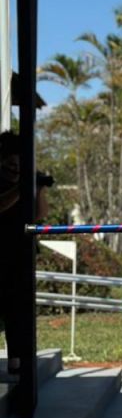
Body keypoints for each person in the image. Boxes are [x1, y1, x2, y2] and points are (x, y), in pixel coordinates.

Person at [0, 131, 49, 375]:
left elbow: (39, 215)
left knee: (18, 310)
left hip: (20, 255)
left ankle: (16, 361)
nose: (14, 166)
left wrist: (38, 188)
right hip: (2, 253)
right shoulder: (7, 185)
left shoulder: (23, 183)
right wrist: (21, 187)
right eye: (10, 160)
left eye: (18, 161)